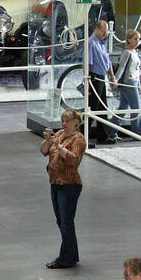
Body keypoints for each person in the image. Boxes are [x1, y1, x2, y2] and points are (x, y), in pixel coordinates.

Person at [40, 107, 86, 269]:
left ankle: (66, 257)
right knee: (61, 221)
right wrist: (48, 140)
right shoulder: (59, 134)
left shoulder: (78, 139)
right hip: (55, 183)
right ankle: (71, 254)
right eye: (62, 121)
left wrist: (60, 147)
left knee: (67, 222)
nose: (64, 124)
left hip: (69, 185)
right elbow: (44, 151)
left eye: (67, 121)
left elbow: (74, 160)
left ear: (75, 123)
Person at [86, 18, 116, 145]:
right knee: (93, 108)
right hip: (94, 77)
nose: (105, 34)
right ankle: (81, 137)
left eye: (106, 32)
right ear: (96, 29)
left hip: (101, 77)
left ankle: (102, 136)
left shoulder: (101, 43)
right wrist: (87, 80)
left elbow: (107, 62)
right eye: (103, 31)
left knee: (103, 107)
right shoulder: (91, 43)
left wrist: (112, 77)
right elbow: (87, 63)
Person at [111, 29, 141, 139]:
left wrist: (139, 83)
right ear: (128, 40)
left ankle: (110, 130)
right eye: (135, 39)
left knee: (123, 108)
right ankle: (137, 133)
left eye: (138, 39)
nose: (137, 41)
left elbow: (137, 70)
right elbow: (121, 68)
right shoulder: (126, 53)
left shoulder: (134, 52)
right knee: (136, 108)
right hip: (128, 82)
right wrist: (115, 79)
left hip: (133, 81)